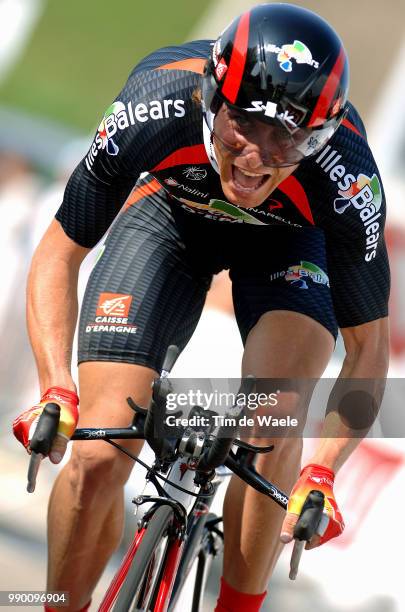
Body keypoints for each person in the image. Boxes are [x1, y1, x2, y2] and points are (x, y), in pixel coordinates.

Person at [13, 3, 389, 611]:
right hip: (170, 218)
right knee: (95, 458)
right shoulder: (156, 103)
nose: (254, 157)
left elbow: (368, 347)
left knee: (272, 419)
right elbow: (59, 252)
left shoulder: (346, 178)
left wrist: (321, 471)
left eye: (287, 136)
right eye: (243, 124)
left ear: (318, 135)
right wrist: (56, 388)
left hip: (291, 243)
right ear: (213, 98)